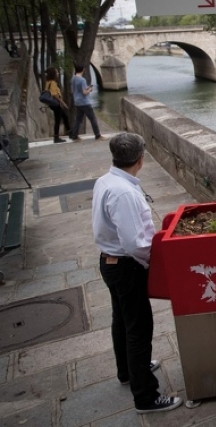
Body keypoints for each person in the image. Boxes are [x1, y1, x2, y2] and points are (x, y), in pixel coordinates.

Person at [93, 133, 182, 414]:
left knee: (122, 321)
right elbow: (135, 244)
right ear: (141, 158)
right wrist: (152, 263)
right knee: (139, 330)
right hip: (127, 265)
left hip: (110, 262)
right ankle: (146, 396)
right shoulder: (124, 192)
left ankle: (127, 371)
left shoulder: (106, 181)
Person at [69, 63, 105, 141]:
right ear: (83, 70)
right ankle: (98, 135)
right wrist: (90, 89)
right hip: (84, 102)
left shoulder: (73, 79)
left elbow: (72, 91)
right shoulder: (82, 80)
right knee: (93, 119)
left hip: (77, 102)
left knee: (78, 120)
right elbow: (84, 93)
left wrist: (86, 88)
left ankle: (74, 136)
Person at [44, 67, 71, 143]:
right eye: (57, 72)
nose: (58, 74)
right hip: (56, 104)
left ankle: (70, 132)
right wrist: (62, 103)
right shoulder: (52, 83)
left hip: (54, 104)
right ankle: (56, 138)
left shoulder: (48, 82)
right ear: (53, 74)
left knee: (65, 117)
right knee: (58, 120)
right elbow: (55, 95)